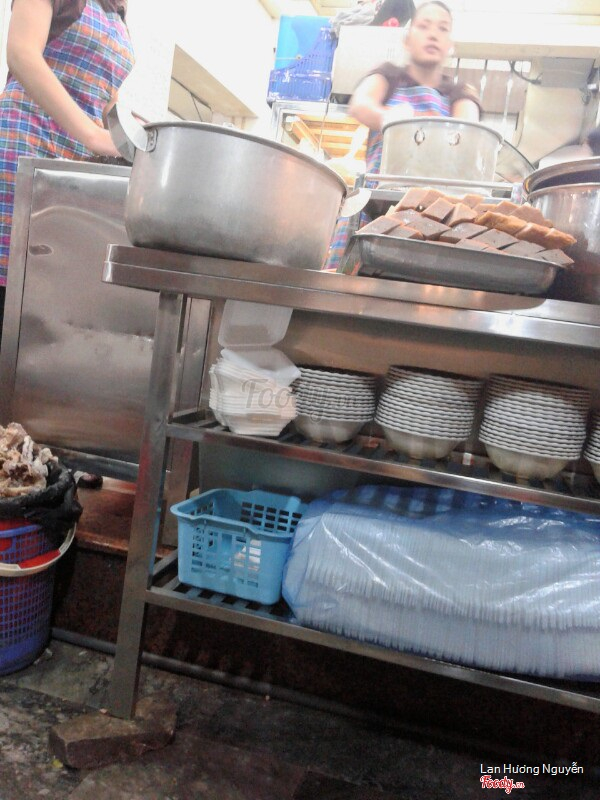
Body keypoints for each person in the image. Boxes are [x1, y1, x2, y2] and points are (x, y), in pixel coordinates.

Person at [325, 0, 481, 271]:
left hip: (434, 216)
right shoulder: (388, 76)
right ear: (407, 40)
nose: (433, 34)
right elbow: (360, 105)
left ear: (450, 45)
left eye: (442, 29)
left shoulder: (459, 93)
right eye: (424, 26)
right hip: (375, 205)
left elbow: (469, 130)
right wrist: (391, 117)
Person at [0, 0, 134, 298]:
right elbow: (21, 53)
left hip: (70, 174)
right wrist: (93, 135)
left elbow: (105, 98)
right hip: (22, 146)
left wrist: (132, 136)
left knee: (42, 293)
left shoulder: (118, 9)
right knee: (10, 280)